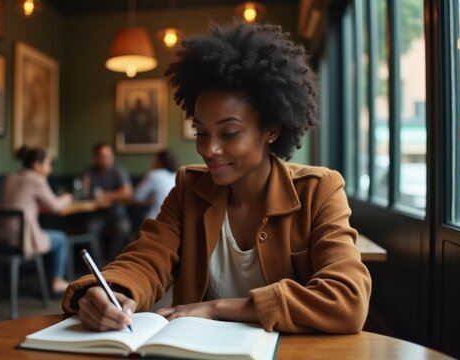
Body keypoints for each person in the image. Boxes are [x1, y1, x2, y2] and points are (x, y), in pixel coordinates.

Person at [62, 21, 371, 334]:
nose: (209, 149)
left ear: (271, 130)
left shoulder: (318, 191)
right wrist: (113, 292)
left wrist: (216, 308)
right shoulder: (189, 188)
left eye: (230, 133)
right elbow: (147, 257)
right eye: (201, 132)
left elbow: (347, 300)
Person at [0, 146, 73, 294]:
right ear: (37, 165)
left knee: (47, 233)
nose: (50, 168)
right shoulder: (36, 180)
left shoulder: (10, 177)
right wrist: (66, 198)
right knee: (61, 238)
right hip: (21, 239)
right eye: (48, 164)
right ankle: (57, 280)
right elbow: (55, 206)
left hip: (0, 237)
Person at [82, 142, 133, 261]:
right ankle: (98, 265)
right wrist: (84, 189)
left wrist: (104, 195)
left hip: (117, 213)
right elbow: (85, 194)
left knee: (123, 227)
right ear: (96, 158)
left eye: (109, 156)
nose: (106, 159)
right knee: (90, 228)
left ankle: (112, 261)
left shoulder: (118, 171)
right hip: (97, 214)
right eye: (103, 156)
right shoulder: (89, 172)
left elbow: (127, 193)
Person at [133, 149, 179, 220]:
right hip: (175, 220)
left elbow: (136, 197)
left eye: (154, 160)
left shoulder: (154, 175)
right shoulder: (177, 175)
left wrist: (151, 200)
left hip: (156, 219)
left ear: (159, 162)